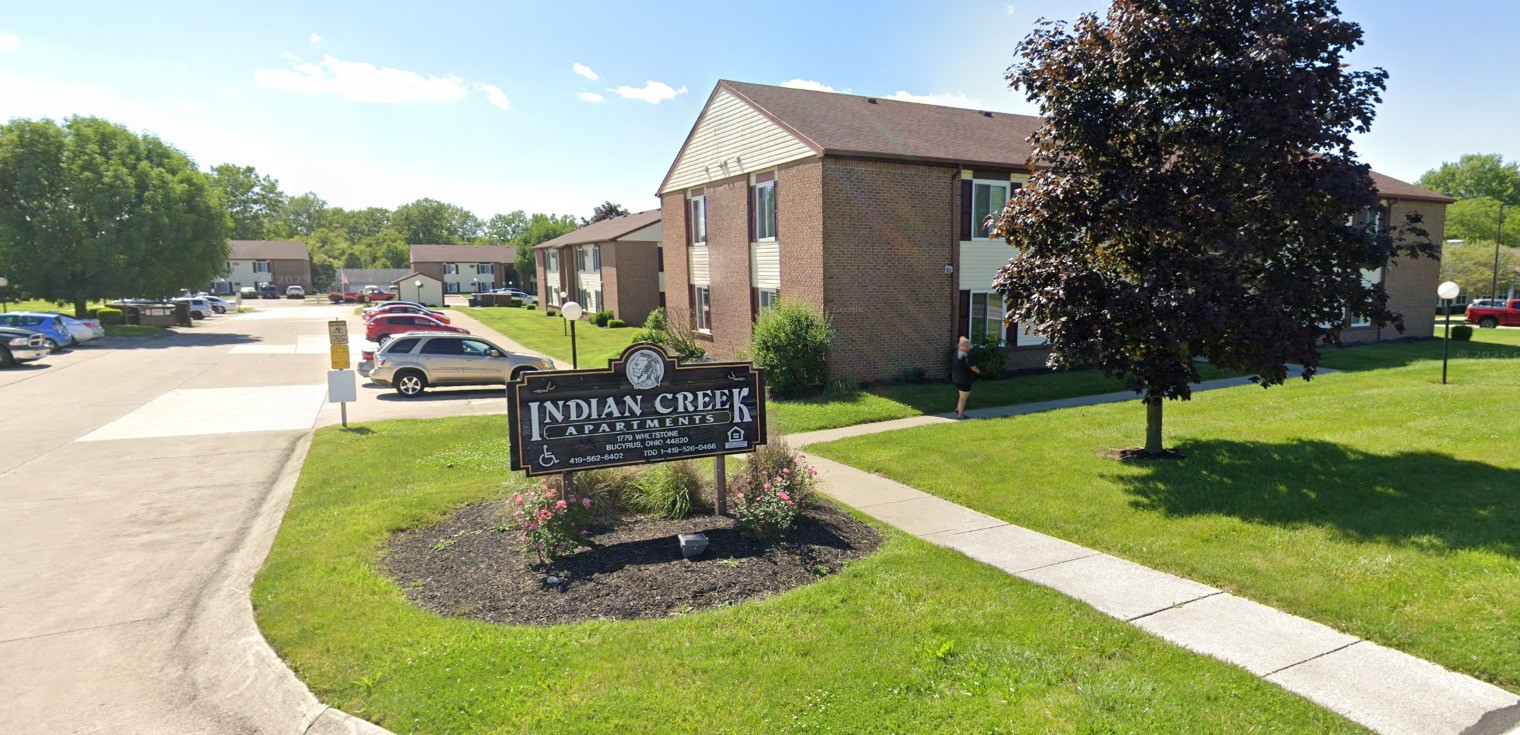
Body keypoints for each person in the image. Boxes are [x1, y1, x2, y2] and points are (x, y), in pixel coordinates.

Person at [950, 336, 980, 419]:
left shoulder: (956, 352)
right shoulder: (965, 355)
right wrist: (978, 371)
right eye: (967, 346)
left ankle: (958, 409)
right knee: (964, 396)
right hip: (964, 379)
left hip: (956, 378)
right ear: (962, 345)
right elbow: (972, 366)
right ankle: (960, 415)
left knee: (962, 394)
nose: (969, 348)